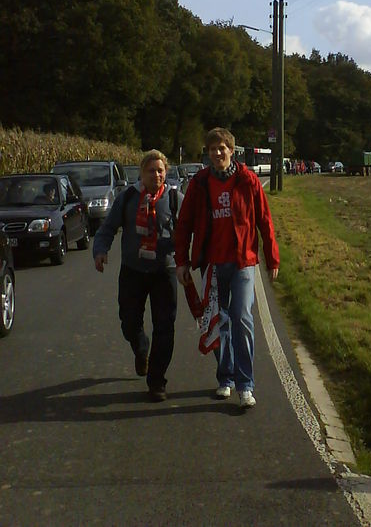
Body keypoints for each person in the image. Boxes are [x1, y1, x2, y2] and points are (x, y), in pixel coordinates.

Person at [174, 126, 279, 409]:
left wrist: (272, 259)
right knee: (219, 322)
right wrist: (181, 261)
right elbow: (183, 225)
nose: (218, 152)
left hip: (243, 261)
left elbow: (264, 221)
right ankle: (226, 378)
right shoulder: (199, 184)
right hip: (211, 264)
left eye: (222, 148)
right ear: (208, 154)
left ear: (232, 151)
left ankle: (246, 384)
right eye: (212, 149)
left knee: (242, 318)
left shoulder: (248, 180)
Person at [93, 150, 182, 402]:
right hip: (133, 270)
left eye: (161, 170)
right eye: (152, 170)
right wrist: (100, 251)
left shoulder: (175, 198)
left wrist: (185, 250)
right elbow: (108, 228)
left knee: (165, 327)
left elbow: (191, 228)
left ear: (166, 172)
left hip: (164, 271)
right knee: (129, 321)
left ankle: (157, 382)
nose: (157, 174)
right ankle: (141, 348)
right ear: (141, 173)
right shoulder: (128, 198)